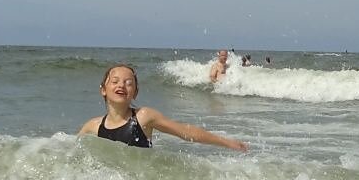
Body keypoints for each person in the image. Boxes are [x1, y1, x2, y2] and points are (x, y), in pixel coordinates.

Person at [78, 64, 248, 151]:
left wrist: (226, 142)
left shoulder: (144, 117)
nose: (121, 85)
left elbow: (184, 131)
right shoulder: (92, 126)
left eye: (128, 83)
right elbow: (69, 152)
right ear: (103, 90)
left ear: (135, 93)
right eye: (115, 82)